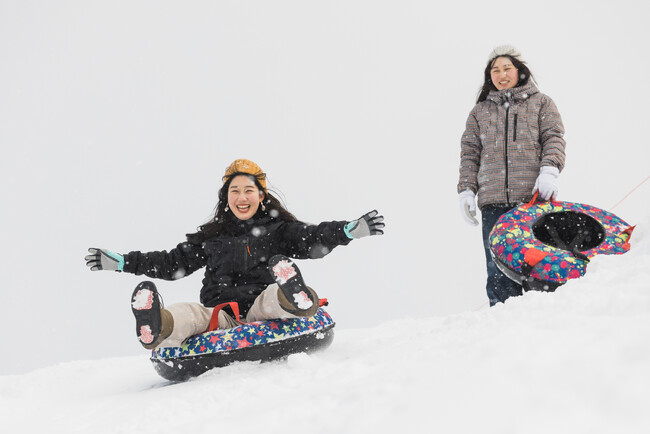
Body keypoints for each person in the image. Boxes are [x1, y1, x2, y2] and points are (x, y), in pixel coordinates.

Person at [86, 158, 384, 349]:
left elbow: (313, 237)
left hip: (260, 309)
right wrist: (124, 262)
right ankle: (158, 324)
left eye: (248, 190)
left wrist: (345, 231)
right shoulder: (211, 238)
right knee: (189, 314)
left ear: (261, 195)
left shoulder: (278, 230)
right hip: (220, 316)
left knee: (272, 297)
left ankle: (295, 297)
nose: (242, 197)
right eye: (235, 191)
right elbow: (170, 262)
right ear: (226, 198)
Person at [457, 45, 566, 306]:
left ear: (520, 71)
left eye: (507, 68)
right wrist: (466, 191)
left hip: (532, 201)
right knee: (499, 273)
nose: (501, 74)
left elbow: (553, 139)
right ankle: (501, 324)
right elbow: (470, 153)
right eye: (495, 70)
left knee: (540, 268)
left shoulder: (541, 103)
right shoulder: (479, 112)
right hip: (493, 205)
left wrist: (549, 171)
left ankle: (547, 320)